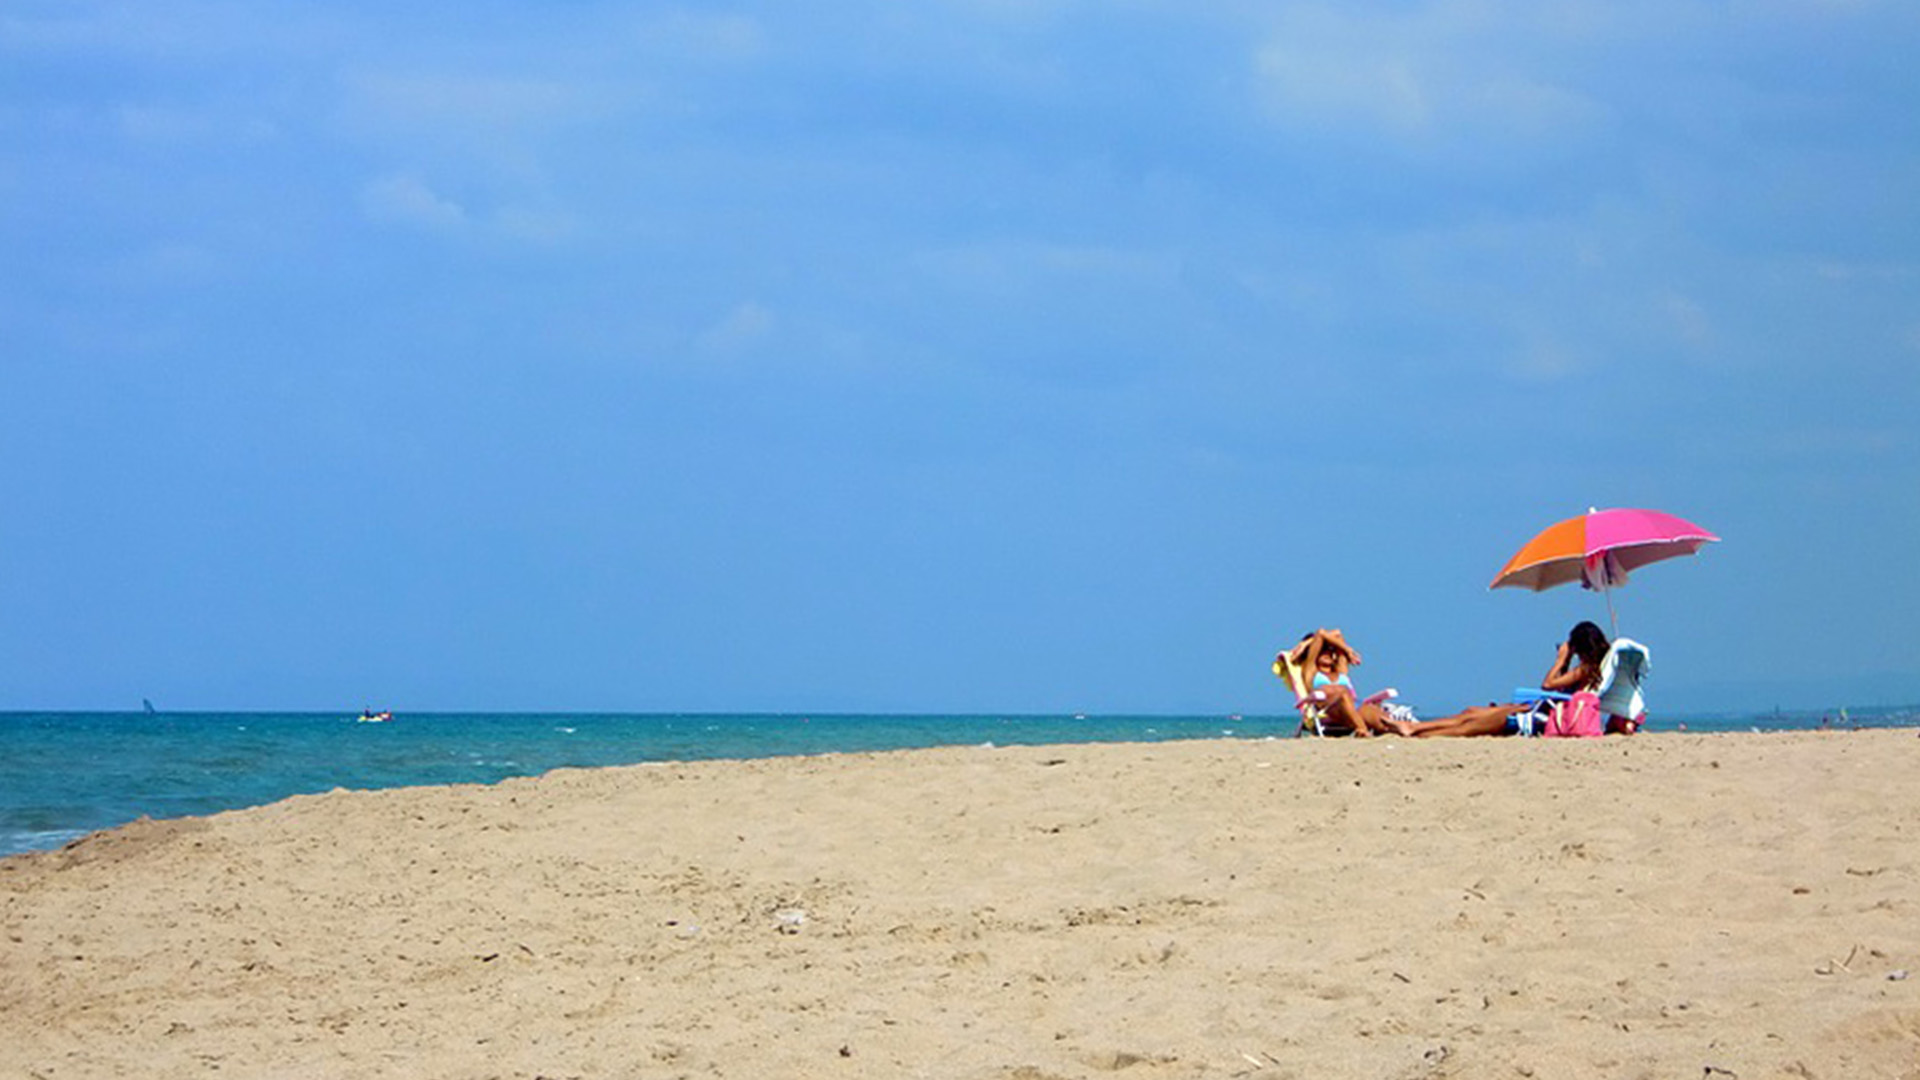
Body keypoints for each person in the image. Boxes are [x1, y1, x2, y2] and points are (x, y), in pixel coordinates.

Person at [1387, 621, 1611, 738]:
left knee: (1469, 727)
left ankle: (1418, 732)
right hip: (1542, 710)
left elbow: (1548, 685)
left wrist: (1561, 659)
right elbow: (1561, 693)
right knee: (1470, 713)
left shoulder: (1587, 668)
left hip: (1539, 718)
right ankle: (1412, 727)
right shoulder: (1596, 669)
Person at [1289, 628, 1397, 737]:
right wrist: (1306, 644)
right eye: (1322, 649)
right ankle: (1362, 729)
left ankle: (1411, 729)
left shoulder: (1341, 670)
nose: (1327, 652)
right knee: (1343, 694)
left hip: (1355, 706)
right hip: (1331, 712)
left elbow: (1338, 634)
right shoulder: (1310, 671)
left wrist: (1347, 650)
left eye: (1330, 648)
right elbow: (1320, 633)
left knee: (1387, 724)